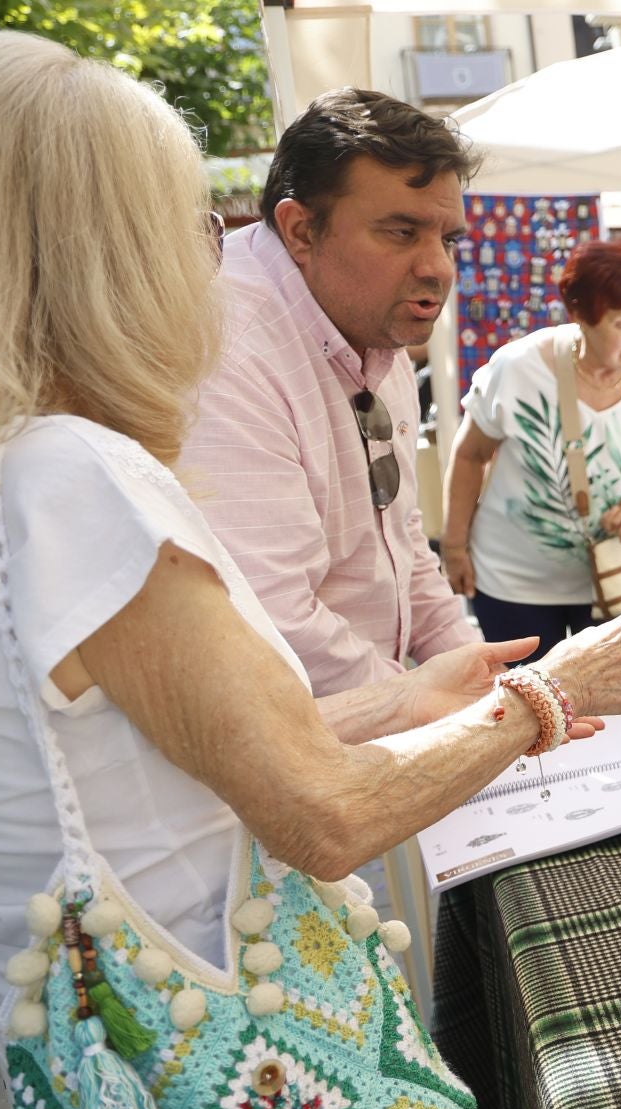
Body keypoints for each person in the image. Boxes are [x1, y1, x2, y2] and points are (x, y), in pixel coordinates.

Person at [0, 31, 621, 1109]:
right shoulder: (67, 475)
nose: (208, 262)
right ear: (106, 251)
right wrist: (552, 693)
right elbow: (323, 812)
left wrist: (423, 689)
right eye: (188, 228)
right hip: (239, 1050)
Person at [183, 88, 484, 696]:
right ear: (300, 230)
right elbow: (273, 619)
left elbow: (404, 547)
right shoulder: (223, 347)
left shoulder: (370, 319)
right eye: (402, 231)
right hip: (295, 749)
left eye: (448, 239)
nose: (438, 267)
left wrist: (489, 680)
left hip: (371, 724)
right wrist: (446, 709)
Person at [442, 237, 621, 644]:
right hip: (513, 584)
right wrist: (455, 548)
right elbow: (470, 455)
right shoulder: (519, 369)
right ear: (581, 315)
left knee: (607, 706)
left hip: (616, 581)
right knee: (524, 703)